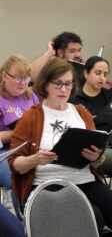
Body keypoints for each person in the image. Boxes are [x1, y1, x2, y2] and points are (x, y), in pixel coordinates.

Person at [8, 57, 112, 237]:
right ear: (45, 84)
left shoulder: (81, 112)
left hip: (84, 180)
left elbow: (97, 162)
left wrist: (97, 159)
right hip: (49, 185)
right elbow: (14, 164)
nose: (64, 89)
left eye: (68, 84)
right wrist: (35, 159)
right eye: (58, 84)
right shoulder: (32, 116)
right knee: (94, 218)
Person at [69, 56, 112, 200]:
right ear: (86, 73)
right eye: (98, 73)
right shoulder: (74, 100)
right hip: (94, 147)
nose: (102, 78)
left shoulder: (110, 96)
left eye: (105, 74)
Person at [0, 55, 40, 216]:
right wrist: (17, 132)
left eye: (27, 78)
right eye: (18, 78)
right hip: (5, 153)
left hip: (31, 149)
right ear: (4, 75)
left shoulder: (31, 97)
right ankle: (27, 224)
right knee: (22, 178)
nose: (23, 83)